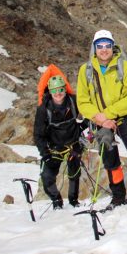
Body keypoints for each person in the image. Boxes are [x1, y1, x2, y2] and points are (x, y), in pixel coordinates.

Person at [76, 30, 127, 211]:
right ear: (94, 48)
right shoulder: (86, 70)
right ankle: (119, 197)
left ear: (112, 46)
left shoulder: (124, 66)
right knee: (109, 157)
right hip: (100, 121)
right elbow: (82, 101)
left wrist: (108, 114)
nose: (104, 50)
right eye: (100, 46)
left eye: (107, 45)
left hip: (122, 118)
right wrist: (99, 118)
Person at [34, 72, 84, 209]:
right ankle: (57, 201)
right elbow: (38, 135)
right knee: (47, 177)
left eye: (61, 89)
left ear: (64, 89)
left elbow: (87, 116)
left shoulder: (73, 101)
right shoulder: (44, 109)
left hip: (73, 145)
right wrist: (45, 154)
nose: (58, 93)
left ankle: (74, 201)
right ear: (50, 91)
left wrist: (84, 130)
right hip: (53, 148)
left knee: (74, 174)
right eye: (54, 90)